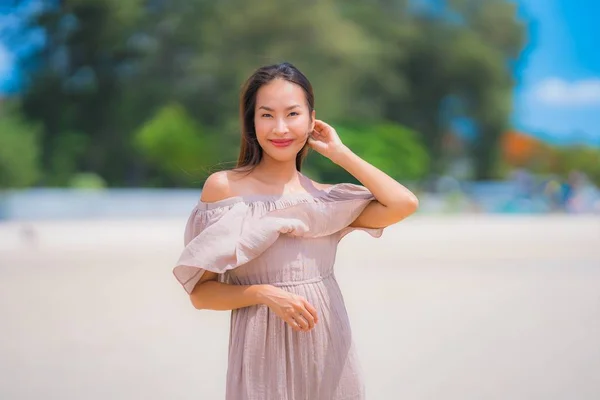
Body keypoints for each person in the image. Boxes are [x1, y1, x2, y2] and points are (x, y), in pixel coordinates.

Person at [173, 62, 419, 400]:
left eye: (292, 114)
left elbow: (403, 203)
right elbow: (201, 294)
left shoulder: (325, 200)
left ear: (312, 119)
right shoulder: (224, 189)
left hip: (328, 356)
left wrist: (341, 153)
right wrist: (261, 293)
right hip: (261, 361)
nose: (280, 128)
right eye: (267, 115)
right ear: (251, 121)